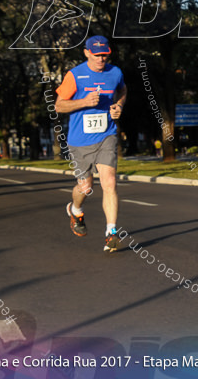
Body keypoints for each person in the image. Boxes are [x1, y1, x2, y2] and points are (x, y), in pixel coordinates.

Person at [54, 35, 127, 253]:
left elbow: (122, 90)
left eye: (105, 54)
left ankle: (111, 232)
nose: (101, 59)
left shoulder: (115, 72)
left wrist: (119, 105)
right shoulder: (75, 75)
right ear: (86, 53)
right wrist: (84, 102)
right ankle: (75, 209)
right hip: (79, 141)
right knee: (86, 187)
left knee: (110, 182)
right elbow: (58, 106)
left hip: (107, 134)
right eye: (97, 55)